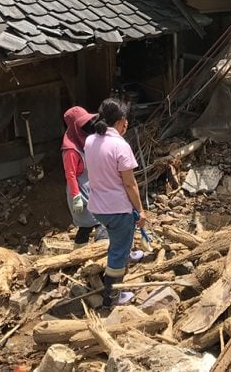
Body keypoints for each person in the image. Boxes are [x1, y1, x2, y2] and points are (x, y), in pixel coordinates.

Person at [83, 98, 149, 308]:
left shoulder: (90, 141)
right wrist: (140, 209)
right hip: (117, 209)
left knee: (118, 239)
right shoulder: (120, 145)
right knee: (117, 253)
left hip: (98, 207)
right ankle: (112, 297)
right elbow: (130, 184)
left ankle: (126, 252)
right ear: (122, 121)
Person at [61, 106, 107, 246]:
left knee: (93, 225)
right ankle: (98, 252)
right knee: (95, 225)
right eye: (84, 124)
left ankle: (85, 254)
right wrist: (76, 197)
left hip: (93, 190)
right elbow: (70, 175)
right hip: (81, 194)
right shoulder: (70, 150)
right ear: (75, 127)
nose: (89, 126)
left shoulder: (85, 141)